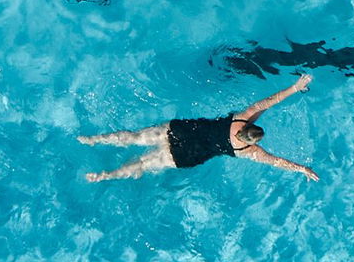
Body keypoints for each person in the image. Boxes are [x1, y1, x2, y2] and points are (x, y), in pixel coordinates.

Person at [80, 73, 320, 183]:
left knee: (134, 137)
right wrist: (302, 169)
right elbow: (277, 161)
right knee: (142, 164)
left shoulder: (242, 117)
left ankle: (93, 139)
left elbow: (268, 102)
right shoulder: (247, 151)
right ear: (251, 140)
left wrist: (295, 87)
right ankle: (106, 176)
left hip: (182, 131)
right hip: (184, 155)